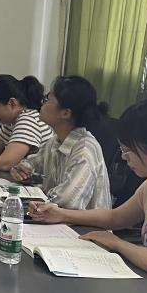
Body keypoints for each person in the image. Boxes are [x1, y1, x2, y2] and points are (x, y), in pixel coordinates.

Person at [29, 98, 147, 293]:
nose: (123, 157)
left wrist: (117, 243)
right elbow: (116, 217)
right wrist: (61, 214)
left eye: (128, 151)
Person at [9, 75, 111, 210]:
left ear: (65, 113)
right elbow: (32, 164)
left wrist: (38, 196)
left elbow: (67, 201)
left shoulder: (85, 151)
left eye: (48, 99)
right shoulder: (56, 141)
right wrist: (21, 171)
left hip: (82, 223)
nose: (42, 102)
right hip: (53, 218)